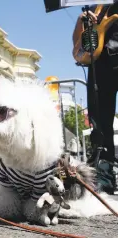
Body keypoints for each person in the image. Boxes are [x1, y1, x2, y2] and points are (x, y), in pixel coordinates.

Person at [72, 4, 118, 194]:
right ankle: (104, 174)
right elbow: (77, 42)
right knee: (99, 122)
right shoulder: (95, 6)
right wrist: (83, 21)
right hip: (100, 63)